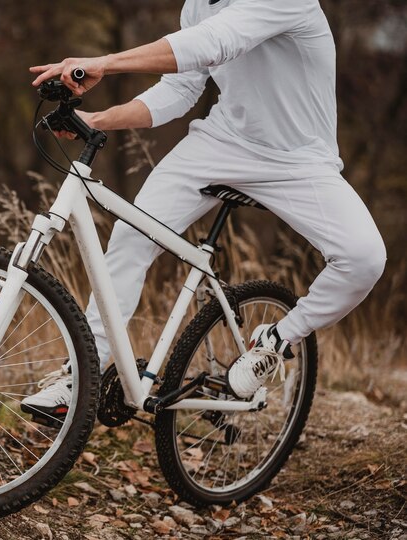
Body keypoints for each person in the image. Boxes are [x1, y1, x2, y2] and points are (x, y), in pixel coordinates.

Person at [21, 0, 386, 415]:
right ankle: (82, 373)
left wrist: (104, 63)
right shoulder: (197, 5)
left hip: (300, 161)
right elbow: (179, 91)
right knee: (131, 237)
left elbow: (215, 43)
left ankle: (278, 340)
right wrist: (99, 120)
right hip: (222, 142)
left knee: (364, 259)